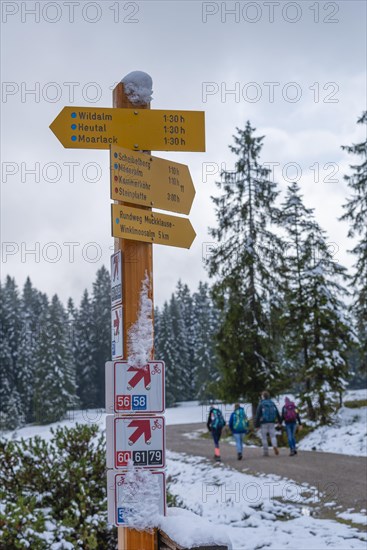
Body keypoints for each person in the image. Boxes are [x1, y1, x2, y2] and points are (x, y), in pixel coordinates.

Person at [255, 391, 281, 457]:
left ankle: (266, 451)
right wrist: (279, 421)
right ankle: (274, 445)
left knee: (264, 437)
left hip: (263, 422)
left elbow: (258, 415)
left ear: (263, 397)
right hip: (272, 421)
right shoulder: (272, 403)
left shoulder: (261, 404)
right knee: (273, 435)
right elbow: (277, 412)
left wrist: (256, 425)